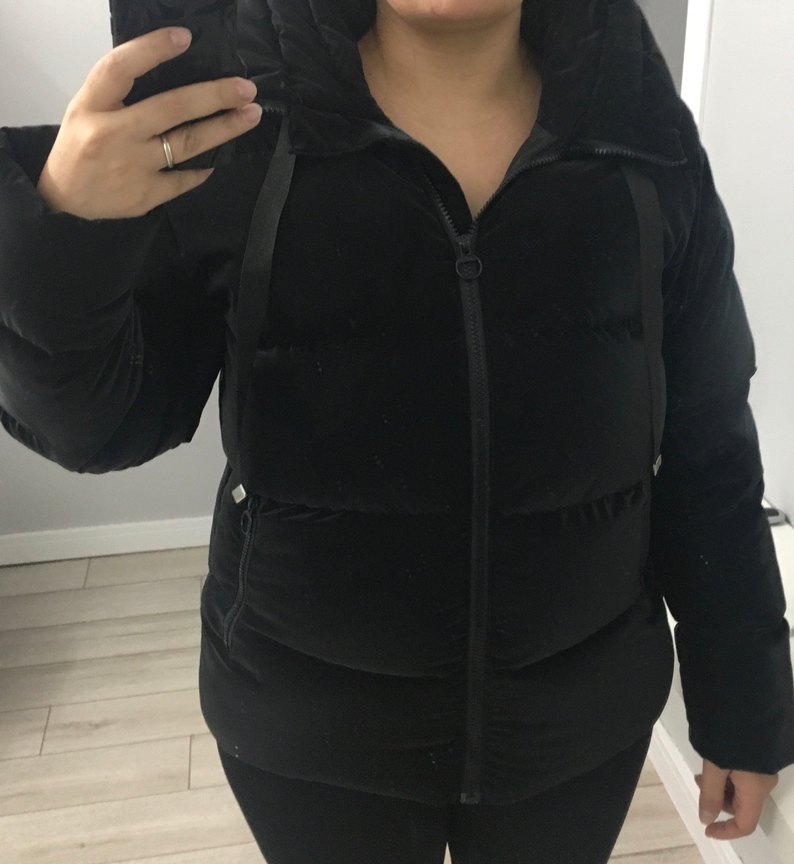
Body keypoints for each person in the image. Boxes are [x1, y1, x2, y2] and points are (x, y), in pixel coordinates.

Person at [1, 1, 792, 862]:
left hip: (576, 727)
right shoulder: (240, 130)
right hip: (311, 736)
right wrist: (66, 237)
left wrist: (744, 704)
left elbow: (710, 448)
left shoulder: (643, 142)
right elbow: (103, 426)